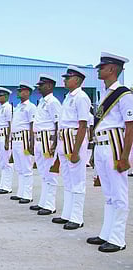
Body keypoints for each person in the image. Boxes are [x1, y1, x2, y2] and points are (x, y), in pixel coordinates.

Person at [87, 52, 132, 252]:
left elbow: (130, 127)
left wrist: (125, 157)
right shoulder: (105, 94)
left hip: (115, 146)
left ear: (113, 69)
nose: (99, 70)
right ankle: (106, 233)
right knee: (108, 194)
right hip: (101, 145)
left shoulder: (124, 94)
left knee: (119, 194)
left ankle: (117, 239)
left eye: (102, 67)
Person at [51, 65, 90, 230]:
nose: (65, 80)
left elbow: (83, 125)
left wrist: (76, 151)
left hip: (74, 141)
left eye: (68, 77)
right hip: (64, 141)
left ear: (77, 80)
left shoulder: (81, 97)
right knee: (67, 181)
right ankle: (67, 214)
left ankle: (77, 217)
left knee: (77, 181)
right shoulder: (68, 97)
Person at [30, 74, 61, 215]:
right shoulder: (42, 102)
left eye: (41, 85)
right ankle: (43, 201)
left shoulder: (53, 102)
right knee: (43, 174)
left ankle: (50, 205)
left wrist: (55, 144)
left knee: (50, 174)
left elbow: (58, 124)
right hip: (39, 140)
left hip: (48, 140)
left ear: (49, 86)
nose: (39, 88)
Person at [10, 82, 36, 204]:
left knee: (26, 168)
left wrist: (31, 143)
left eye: (21, 91)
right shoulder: (18, 107)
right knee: (19, 168)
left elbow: (32, 125)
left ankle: (27, 194)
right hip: (16, 139)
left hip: (24, 139)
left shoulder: (30, 107)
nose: (19, 93)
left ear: (27, 92)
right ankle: (20, 192)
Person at [0, 87, 14, 195]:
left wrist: (8, 140)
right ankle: (2, 185)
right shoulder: (0, 108)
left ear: (6, 96)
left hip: (5, 136)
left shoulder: (8, 107)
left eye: (0, 95)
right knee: (2, 162)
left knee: (7, 163)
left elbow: (10, 124)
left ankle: (7, 186)